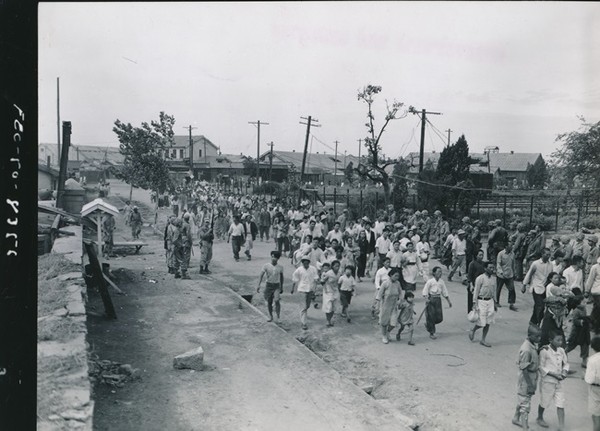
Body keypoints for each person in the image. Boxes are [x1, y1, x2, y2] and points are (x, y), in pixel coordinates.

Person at [536, 332, 569, 430]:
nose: (560, 342)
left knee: (560, 403)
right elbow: (540, 367)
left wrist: (564, 372)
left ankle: (561, 426)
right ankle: (540, 417)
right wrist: (553, 374)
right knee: (544, 401)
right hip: (548, 381)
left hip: (559, 382)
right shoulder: (545, 351)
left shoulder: (562, 351)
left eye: (561, 340)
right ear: (550, 340)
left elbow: (566, 363)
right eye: (558, 340)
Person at [513, 324, 541, 429]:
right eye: (537, 337)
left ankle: (516, 418)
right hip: (526, 379)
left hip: (531, 377)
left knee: (523, 399)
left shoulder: (532, 345)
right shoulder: (526, 349)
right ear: (530, 335)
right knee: (525, 404)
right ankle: (525, 427)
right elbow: (524, 369)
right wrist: (530, 385)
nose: (539, 339)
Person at [523, 248, 553, 326]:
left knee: (538, 306)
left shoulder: (550, 264)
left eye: (549, 255)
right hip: (536, 287)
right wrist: (524, 285)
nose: (548, 256)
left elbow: (551, 276)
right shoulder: (535, 264)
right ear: (542, 254)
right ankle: (537, 323)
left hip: (545, 288)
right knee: (540, 306)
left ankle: (533, 321)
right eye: (547, 254)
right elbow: (529, 274)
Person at [469, 261, 497, 347]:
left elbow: (494, 291)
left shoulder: (493, 279)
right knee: (482, 322)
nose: (492, 269)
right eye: (490, 268)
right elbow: (476, 291)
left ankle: (483, 339)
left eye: (493, 268)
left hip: (490, 301)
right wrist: (474, 303)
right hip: (481, 301)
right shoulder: (480, 278)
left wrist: (495, 303)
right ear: (485, 268)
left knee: (488, 322)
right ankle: (473, 330)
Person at [422, 266, 452, 339]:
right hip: (431, 300)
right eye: (438, 271)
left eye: (441, 272)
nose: (440, 273)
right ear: (434, 273)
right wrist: (426, 299)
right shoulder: (430, 281)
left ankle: (429, 324)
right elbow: (425, 290)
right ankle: (432, 333)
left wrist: (449, 301)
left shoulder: (441, 282)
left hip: (438, 300)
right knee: (431, 317)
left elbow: (444, 292)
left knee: (439, 318)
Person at [291, 256, 320, 330]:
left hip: (310, 289)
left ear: (309, 262)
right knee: (303, 307)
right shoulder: (299, 270)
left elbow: (316, 277)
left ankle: (303, 313)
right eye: (304, 261)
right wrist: (292, 288)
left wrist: (317, 281)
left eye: (307, 261)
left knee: (307, 305)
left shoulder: (313, 269)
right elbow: (295, 279)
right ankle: (304, 323)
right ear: (302, 262)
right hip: (302, 289)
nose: (305, 263)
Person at [257, 251, 284, 322]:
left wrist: (281, 286)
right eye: (272, 257)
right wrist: (258, 285)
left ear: (278, 259)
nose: (273, 258)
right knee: (269, 302)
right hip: (268, 285)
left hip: (276, 285)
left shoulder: (280, 267)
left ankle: (278, 317)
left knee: (277, 300)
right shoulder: (266, 265)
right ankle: (271, 316)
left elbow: (281, 277)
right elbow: (261, 275)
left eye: (275, 257)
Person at [565, 291, 590, 369]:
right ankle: (563, 353)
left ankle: (584, 360)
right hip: (577, 332)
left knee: (585, 345)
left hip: (584, 331)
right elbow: (575, 321)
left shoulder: (584, 309)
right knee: (571, 344)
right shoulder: (576, 311)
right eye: (583, 302)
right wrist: (581, 322)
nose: (585, 303)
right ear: (578, 303)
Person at [379, 268, 403, 344]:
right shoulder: (385, 283)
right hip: (385, 305)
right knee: (384, 322)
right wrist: (376, 305)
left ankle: (388, 332)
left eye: (398, 276)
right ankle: (384, 336)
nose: (397, 278)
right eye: (395, 276)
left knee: (393, 323)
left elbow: (400, 293)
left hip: (394, 305)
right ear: (391, 275)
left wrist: (400, 300)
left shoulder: (398, 283)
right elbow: (379, 295)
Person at [496, 241, 518, 311]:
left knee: (512, 289)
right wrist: (501, 272)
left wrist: (514, 272)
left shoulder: (512, 254)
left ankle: (511, 304)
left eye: (512, 246)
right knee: (498, 289)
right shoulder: (501, 254)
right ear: (506, 247)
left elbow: (513, 264)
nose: (511, 247)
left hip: (509, 274)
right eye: (510, 246)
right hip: (501, 275)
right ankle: (496, 302)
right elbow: (498, 264)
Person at [584, 335, 600, 431]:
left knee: (596, 415)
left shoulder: (592, 359)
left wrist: (585, 376)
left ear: (592, 347)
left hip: (596, 389)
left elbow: (589, 379)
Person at [321, 260, 342, 327]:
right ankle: (328, 320)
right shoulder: (328, 273)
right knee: (328, 306)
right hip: (328, 291)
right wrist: (325, 288)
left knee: (334, 306)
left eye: (338, 266)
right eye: (336, 266)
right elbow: (322, 282)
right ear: (332, 266)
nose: (337, 267)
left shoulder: (339, 273)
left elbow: (339, 282)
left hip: (335, 291)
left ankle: (330, 320)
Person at [467, 249, 486, 314]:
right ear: (476, 256)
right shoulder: (472, 264)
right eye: (480, 255)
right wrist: (471, 285)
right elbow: (469, 275)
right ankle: (471, 313)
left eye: (482, 255)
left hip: (481, 285)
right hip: (473, 285)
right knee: (472, 300)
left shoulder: (484, 264)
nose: (481, 256)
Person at [180, 213, 193, 279]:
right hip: (186, 241)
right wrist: (191, 241)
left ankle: (183, 272)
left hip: (181, 241)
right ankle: (184, 273)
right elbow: (188, 234)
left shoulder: (181, 224)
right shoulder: (187, 225)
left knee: (183, 256)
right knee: (186, 257)